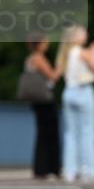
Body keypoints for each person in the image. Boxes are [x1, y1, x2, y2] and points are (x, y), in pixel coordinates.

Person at [56, 25, 94, 182]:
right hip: (83, 91)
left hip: (68, 92)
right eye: (83, 33)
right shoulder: (82, 52)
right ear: (76, 37)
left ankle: (70, 170)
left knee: (70, 134)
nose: (86, 35)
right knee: (88, 132)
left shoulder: (65, 54)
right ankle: (89, 170)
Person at [23, 37, 62, 178]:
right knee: (50, 134)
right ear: (39, 44)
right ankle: (51, 168)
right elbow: (52, 76)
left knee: (41, 134)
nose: (47, 44)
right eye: (45, 41)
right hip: (45, 101)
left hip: (36, 101)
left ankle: (40, 168)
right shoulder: (39, 59)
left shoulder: (29, 59)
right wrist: (61, 66)